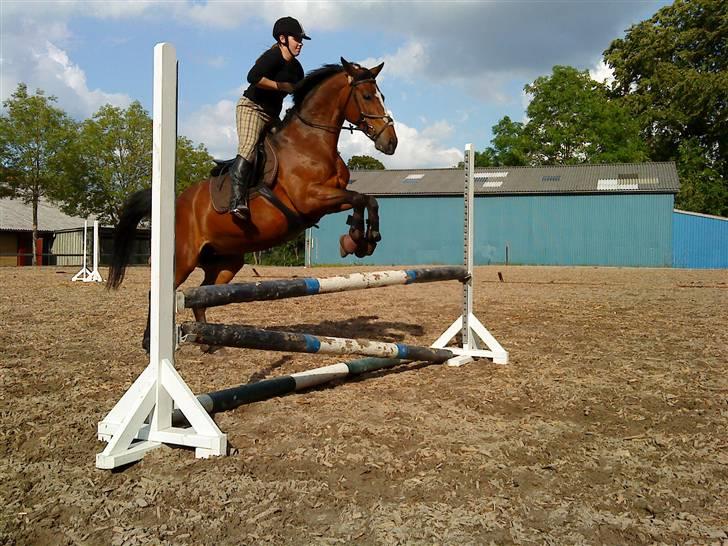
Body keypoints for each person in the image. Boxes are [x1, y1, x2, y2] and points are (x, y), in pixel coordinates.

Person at [230, 16, 310, 221]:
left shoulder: (297, 69)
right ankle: (237, 200)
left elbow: (302, 96)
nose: (300, 43)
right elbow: (253, 77)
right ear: (283, 39)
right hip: (252, 109)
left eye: (301, 39)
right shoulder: (273, 57)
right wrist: (280, 86)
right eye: (296, 39)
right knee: (248, 148)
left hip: (273, 116)